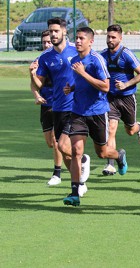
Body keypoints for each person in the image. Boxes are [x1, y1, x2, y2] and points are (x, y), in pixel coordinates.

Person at [62, 27, 128, 207]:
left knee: (102, 152)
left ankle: (119, 156)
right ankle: (75, 192)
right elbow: (81, 81)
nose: (77, 41)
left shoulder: (97, 60)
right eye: (76, 38)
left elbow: (106, 87)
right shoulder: (75, 60)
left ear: (90, 41)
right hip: (78, 112)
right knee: (76, 151)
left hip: (98, 112)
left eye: (81, 38)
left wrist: (83, 73)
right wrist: (72, 88)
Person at [31, 17, 91, 196]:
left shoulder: (76, 50)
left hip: (75, 106)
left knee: (64, 146)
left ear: (65, 32)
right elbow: (39, 84)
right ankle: (79, 182)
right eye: (51, 31)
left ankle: (83, 160)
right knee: (64, 152)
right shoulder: (46, 57)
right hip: (56, 107)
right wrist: (32, 74)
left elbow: (91, 69)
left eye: (56, 31)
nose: (53, 34)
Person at [100, 24, 140, 176]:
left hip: (127, 98)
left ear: (120, 38)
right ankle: (111, 164)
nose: (110, 40)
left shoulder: (127, 54)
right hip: (111, 98)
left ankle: (139, 127)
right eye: (108, 37)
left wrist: (126, 84)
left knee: (130, 130)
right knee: (111, 129)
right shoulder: (103, 55)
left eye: (113, 37)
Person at [29, 30, 64, 186]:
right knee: (50, 143)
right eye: (44, 42)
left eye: (49, 42)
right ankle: (80, 157)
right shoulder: (40, 60)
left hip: (60, 105)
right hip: (45, 105)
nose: (46, 44)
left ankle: (57, 173)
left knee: (57, 141)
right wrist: (36, 95)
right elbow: (35, 84)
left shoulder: (60, 58)